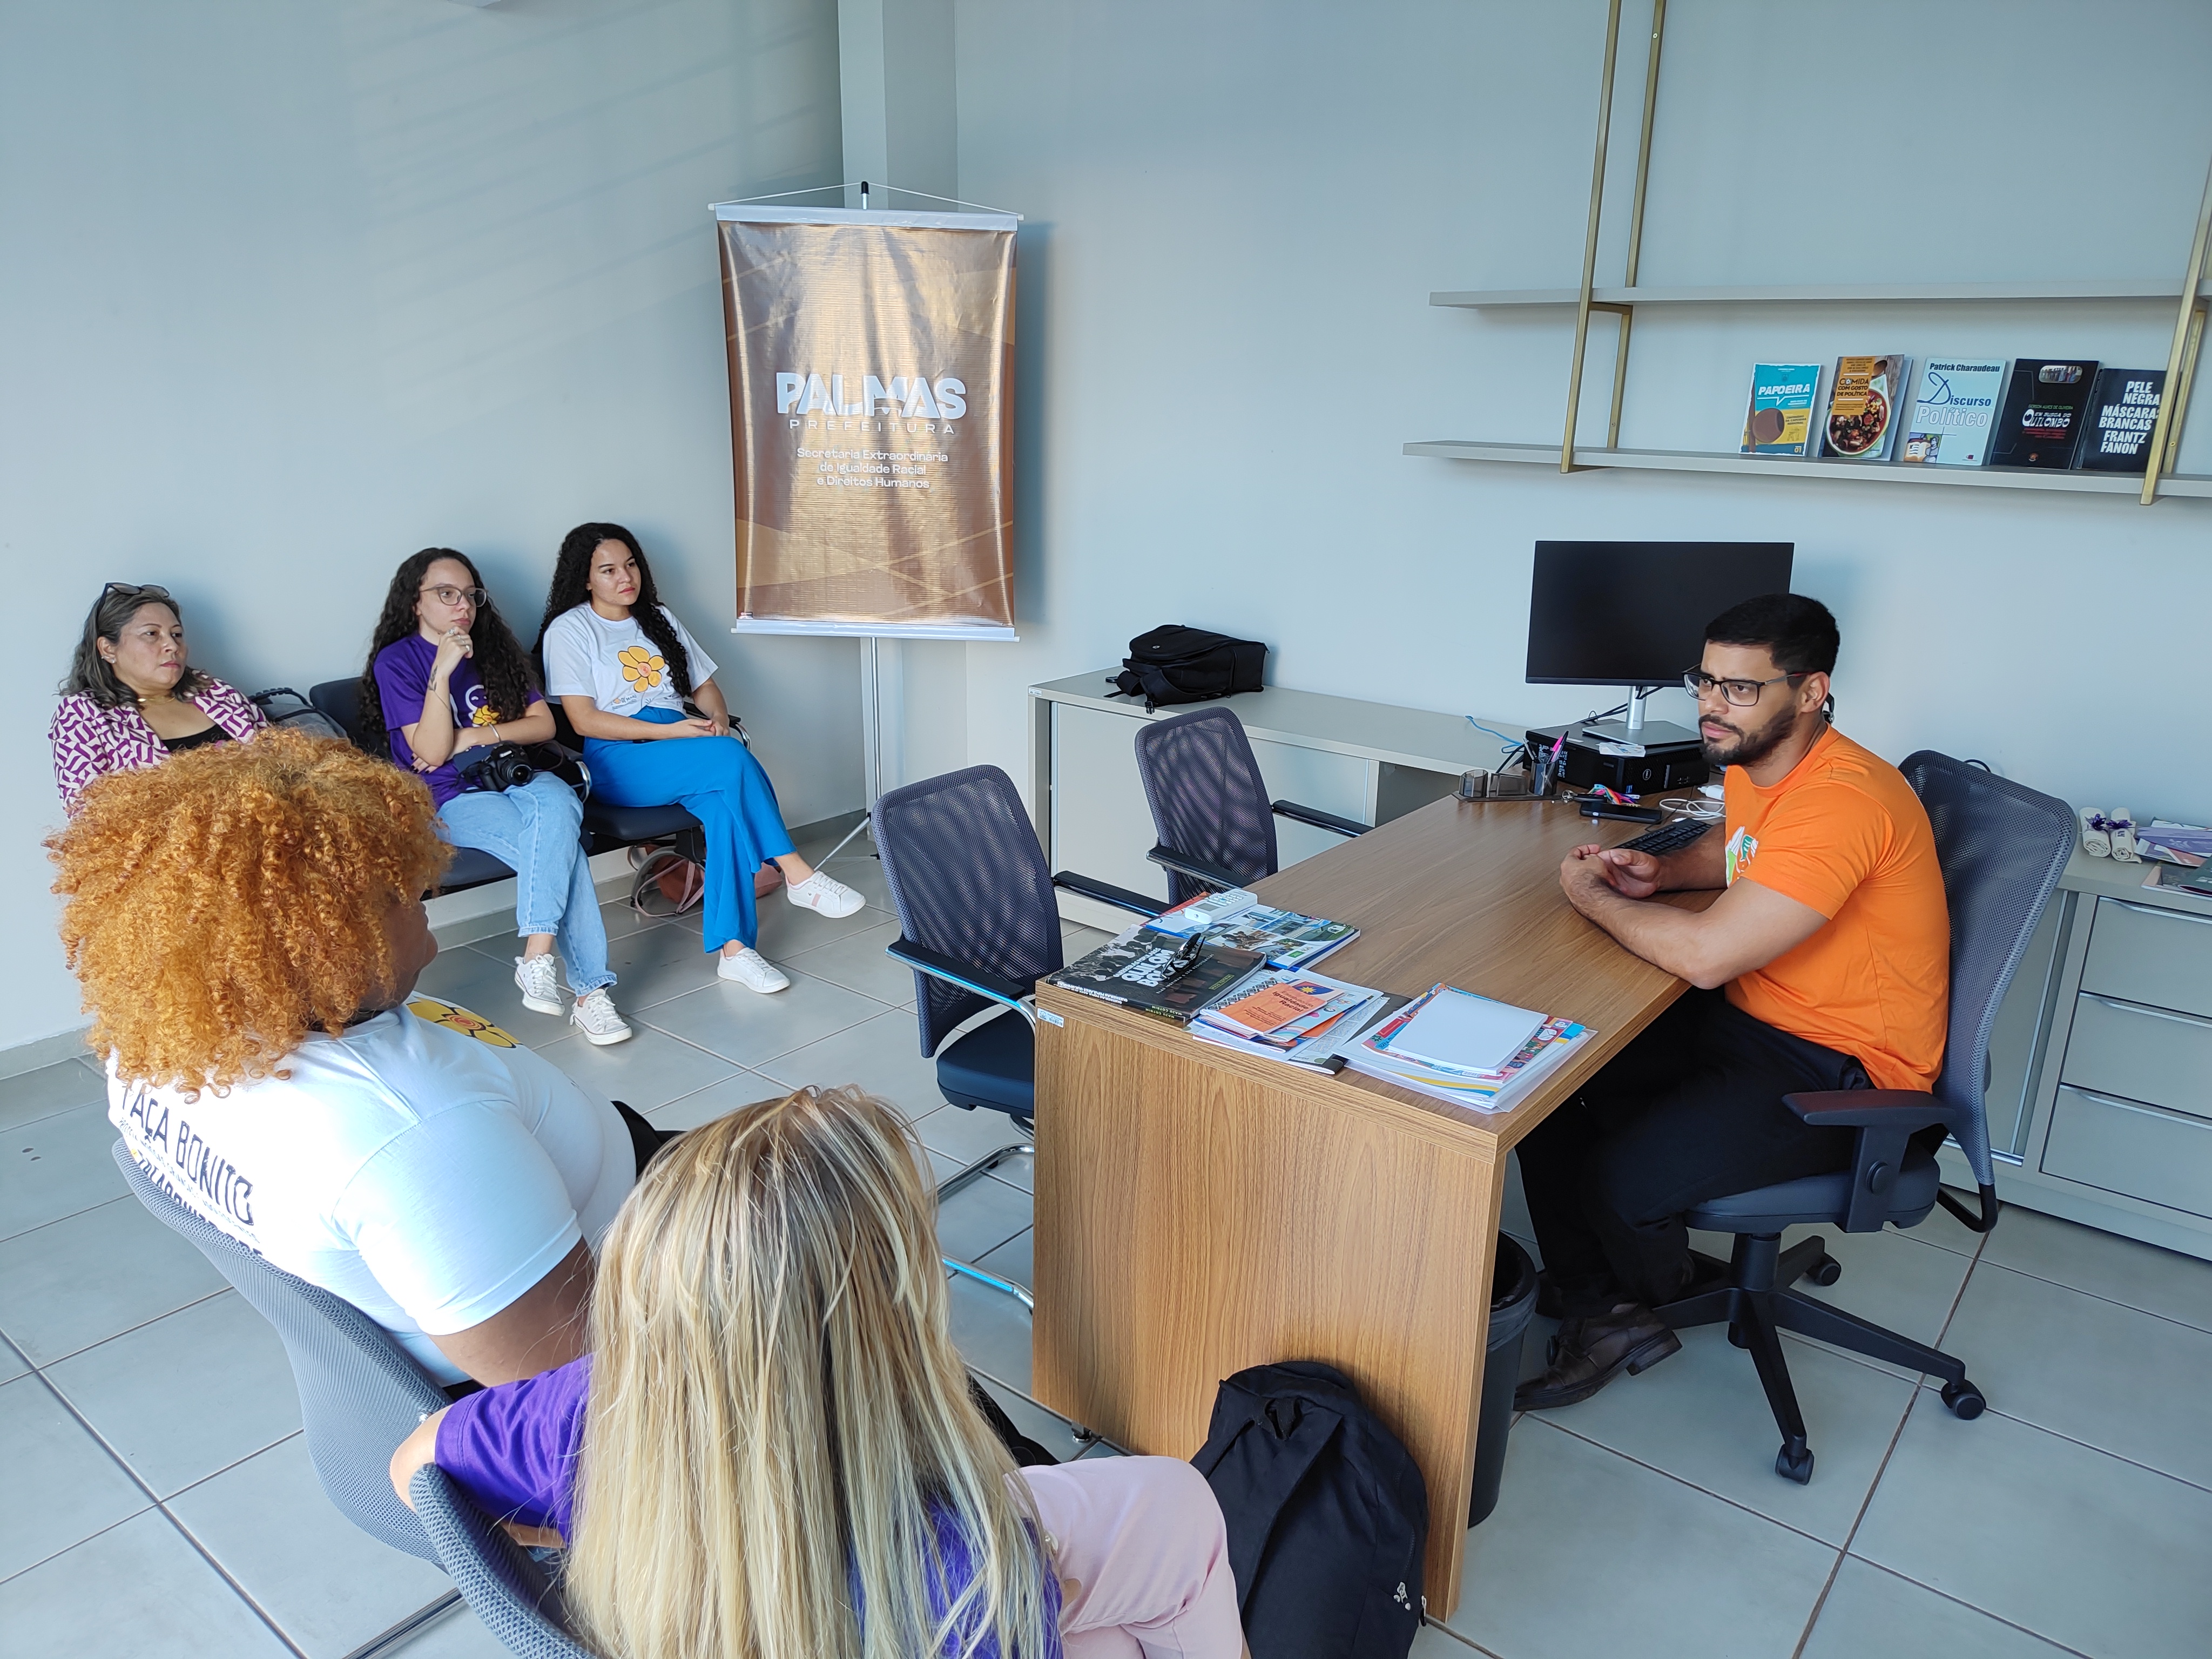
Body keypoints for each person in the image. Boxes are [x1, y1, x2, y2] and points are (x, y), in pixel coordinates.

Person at [389, 1084, 1243, 1659]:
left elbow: (414, 1470)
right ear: (890, 1323)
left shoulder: (580, 1414)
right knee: (1162, 1546)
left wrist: (611, 1528)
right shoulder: (970, 1573)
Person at [51, 730, 653, 1388]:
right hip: (647, 1263)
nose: (425, 887)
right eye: (395, 888)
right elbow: (579, 1395)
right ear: (316, 940)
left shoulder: (157, 1049)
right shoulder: (418, 1137)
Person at [1515, 593, 1948, 1410]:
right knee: (1556, 1081)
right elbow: (1748, 851)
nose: (1712, 707)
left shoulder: (1843, 800)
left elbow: (1709, 956)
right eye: (1706, 682)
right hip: (1764, 1021)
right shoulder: (1766, 762)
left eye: (1740, 689)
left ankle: (1644, 1287)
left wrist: (1593, 895)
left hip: (1847, 1070)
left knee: (1619, 1178)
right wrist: (1664, 875)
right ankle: (1600, 1302)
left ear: (1811, 691)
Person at [535, 522, 863, 994]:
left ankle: (735, 951)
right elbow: (584, 721)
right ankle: (797, 873)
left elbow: (704, 687)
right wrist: (668, 732)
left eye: (630, 565)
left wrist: (717, 722)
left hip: (683, 747)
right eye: (608, 570)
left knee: (723, 807)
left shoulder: (658, 617)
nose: (625, 577)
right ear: (585, 580)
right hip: (619, 758)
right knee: (728, 762)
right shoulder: (570, 630)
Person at [362, 549, 630, 1046]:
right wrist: (442, 672)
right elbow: (431, 751)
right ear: (415, 602)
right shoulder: (397, 661)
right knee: (562, 849)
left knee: (560, 805)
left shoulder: (495, 651)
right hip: (449, 798)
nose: (462, 605)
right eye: (446, 594)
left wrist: (475, 737)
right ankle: (592, 994)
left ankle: (537, 957)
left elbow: (543, 724)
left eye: (469, 595)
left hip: (518, 775)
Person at [49, 581, 267, 813]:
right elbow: (89, 821)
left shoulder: (216, 692)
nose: (172, 645)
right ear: (108, 649)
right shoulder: (84, 715)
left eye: (177, 634)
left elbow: (281, 763)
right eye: (152, 634)